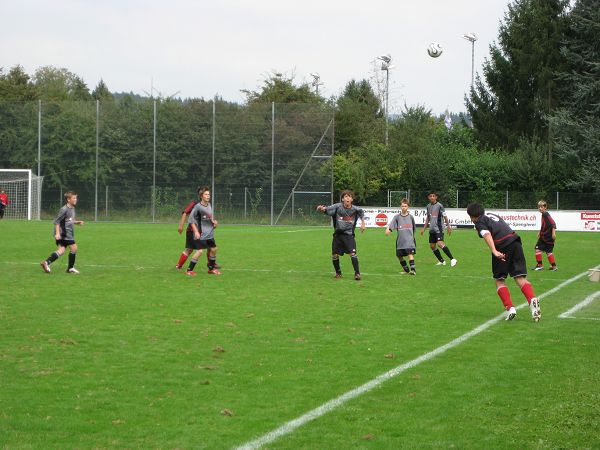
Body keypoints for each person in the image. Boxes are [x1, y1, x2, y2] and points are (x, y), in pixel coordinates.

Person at [466, 203, 541, 322]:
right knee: (519, 277)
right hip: (515, 241)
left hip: (502, 246)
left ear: (472, 216)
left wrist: (494, 251)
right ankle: (532, 300)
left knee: (499, 279)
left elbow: (486, 234)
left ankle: (510, 309)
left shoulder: (479, 222)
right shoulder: (491, 215)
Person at [316, 190, 366, 280]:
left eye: (349, 196)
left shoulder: (355, 209)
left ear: (352, 199)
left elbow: (361, 213)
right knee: (335, 255)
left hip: (349, 235)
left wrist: (363, 223)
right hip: (338, 235)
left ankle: (357, 273)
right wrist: (322, 209)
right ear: (342, 199)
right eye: (345, 196)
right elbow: (327, 209)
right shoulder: (337, 207)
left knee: (353, 253)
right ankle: (338, 273)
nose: (347, 198)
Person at [175, 187, 220, 270]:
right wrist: (181, 226)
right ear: (200, 195)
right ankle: (179, 265)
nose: (207, 195)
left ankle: (211, 264)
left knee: (210, 247)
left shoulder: (207, 205)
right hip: (192, 230)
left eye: (208, 194)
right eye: (204, 193)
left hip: (203, 231)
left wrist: (213, 223)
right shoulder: (195, 204)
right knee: (190, 249)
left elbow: (208, 217)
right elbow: (185, 213)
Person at [40, 191, 84, 274]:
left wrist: (77, 222)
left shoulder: (72, 208)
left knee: (61, 250)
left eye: (76, 198)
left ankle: (47, 262)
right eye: (74, 198)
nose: (76, 199)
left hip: (66, 233)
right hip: (64, 233)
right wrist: (57, 233)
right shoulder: (64, 209)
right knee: (74, 248)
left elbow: (69, 220)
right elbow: (57, 221)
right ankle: (70, 268)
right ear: (68, 199)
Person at [420, 191, 457, 266]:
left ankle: (452, 259)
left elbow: (445, 216)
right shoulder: (428, 206)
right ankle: (442, 261)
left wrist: (448, 226)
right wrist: (424, 228)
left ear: (436, 197)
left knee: (440, 244)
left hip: (439, 229)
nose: (432, 197)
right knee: (432, 246)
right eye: (430, 196)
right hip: (432, 229)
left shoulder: (440, 206)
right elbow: (428, 218)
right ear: (428, 197)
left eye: (433, 196)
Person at [385, 198, 417, 275]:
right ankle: (406, 270)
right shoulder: (397, 217)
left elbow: (414, 229)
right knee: (399, 256)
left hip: (409, 240)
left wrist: (412, 237)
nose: (404, 208)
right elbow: (392, 224)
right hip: (400, 241)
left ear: (408, 207)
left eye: (405, 206)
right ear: (400, 206)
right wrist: (389, 230)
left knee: (410, 254)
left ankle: (413, 270)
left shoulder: (411, 217)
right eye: (402, 206)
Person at [533, 200, 557, 271]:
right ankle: (554, 266)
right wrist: (540, 231)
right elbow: (544, 225)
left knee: (537, 249)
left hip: (546, 237)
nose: (540, 208)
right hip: (547, 237)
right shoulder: (544, 214)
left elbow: (553, 223)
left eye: (541, 207)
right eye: (539, 207)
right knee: (548, 251)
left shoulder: (545, 214)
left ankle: (540, 265)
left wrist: (553, 233)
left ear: (545, 207)